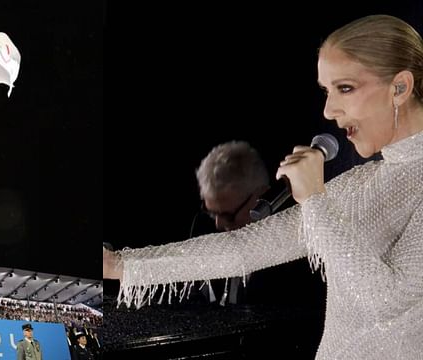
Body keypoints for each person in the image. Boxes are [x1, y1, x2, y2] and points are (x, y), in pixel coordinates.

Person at [104, 14, 423, 360]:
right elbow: (244, 249)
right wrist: (119, 265)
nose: (329, 110)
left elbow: (388, 301)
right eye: (326, 91)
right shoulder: (360, 183)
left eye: (345, 88)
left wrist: (315, 199)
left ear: (400, 87)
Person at [194, 140, 270, 305]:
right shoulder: (203, 227)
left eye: (228, 215)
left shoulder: (293, 248)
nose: (218, 224)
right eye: (211, 212)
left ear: (260, 198)